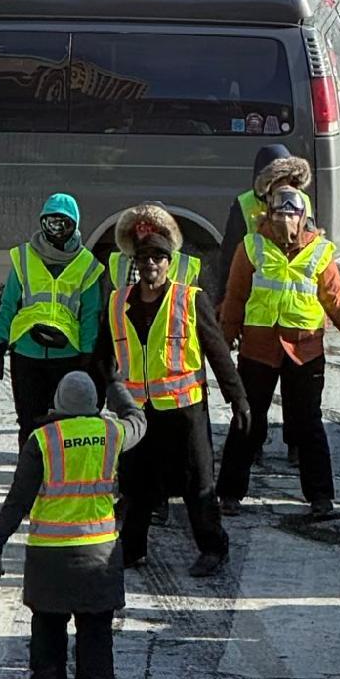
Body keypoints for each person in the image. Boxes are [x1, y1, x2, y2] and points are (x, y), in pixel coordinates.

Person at [106, 202, 248, 577]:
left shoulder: (190, 299)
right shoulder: (118, 303)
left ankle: (213, 548)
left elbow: (218, 352)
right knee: (136, 485)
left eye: (158, 257)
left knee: (198, 484)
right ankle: (132, 550)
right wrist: (96, 397)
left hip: (185, 411)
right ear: (135, 263)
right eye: (144, 258)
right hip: (138, 413)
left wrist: (238, 398)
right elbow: (101, 356)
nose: (151, 264)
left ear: (169, 262)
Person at [215, 184, 340, 518]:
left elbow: (336, 301)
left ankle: (320, 497)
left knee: (308, 423)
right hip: (258, 350)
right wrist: (223, 346)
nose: (284, 219)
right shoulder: (251, 247)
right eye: (278, 212)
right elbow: (234, 299)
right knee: (246, 419)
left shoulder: (320, 251)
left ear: (304, 217)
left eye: (291, 213)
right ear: (268, 214)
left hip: (305, 351)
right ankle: (229, 493)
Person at [0, 367, 146, 679]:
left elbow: (18, 499)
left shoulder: (43, 440)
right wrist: (115, 385)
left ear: (57, 402)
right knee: (96, 644)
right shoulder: (112, 433)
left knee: (47, 644)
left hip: (49, 561)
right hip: (99, 558)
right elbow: (138, 420)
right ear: (95, 403)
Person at [0, 193, 108, 444]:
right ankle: (29, 468)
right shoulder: (24, 257)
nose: (56, 230)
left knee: (65, 426)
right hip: (27, 354)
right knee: (29, 423)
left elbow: (90, 316)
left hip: (67, 356)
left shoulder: (87, 265)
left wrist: (88, 358)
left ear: (74, 226)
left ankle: (58, 470)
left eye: (63, 224)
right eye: (50, 223)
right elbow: (8, 305)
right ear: (42, 223)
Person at [205, 144, 311, 303]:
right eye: (279, 180)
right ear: (267, 183)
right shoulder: (245, 204)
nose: (285, 187)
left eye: (288, 179)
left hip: (295, 295)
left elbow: (312, 249)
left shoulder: (302, 201)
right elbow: (230, 257)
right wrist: (223, 300)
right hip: (257, 295)